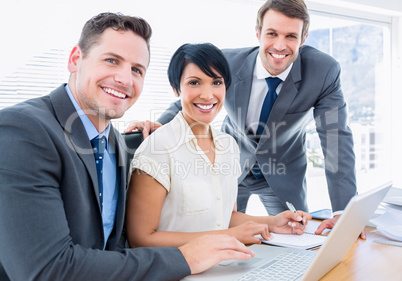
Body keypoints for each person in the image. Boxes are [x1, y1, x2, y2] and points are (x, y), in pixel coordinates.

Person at [0, 12, 256, 281]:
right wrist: (187, 257)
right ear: (76, 59)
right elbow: (48, 270)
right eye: (112, 60)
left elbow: (113, 244)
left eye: (136, 70)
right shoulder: (23, 130)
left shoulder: (117, 144)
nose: (124, 79)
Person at [125, 0, 358, 237]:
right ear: (258, 33)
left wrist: (344, 212)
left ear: (304, 38)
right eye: (272, 33)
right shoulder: (226, 63)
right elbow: (192, 96)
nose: (280, 45)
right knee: (225, 230)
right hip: (230, 164)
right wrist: (162, 124)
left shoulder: (323, 71)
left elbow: (336, 139)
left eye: (290, 36)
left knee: (296, 234)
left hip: (283, 171)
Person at [126, 43, 311, 248]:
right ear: (176, 88)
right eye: (195, 83)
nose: (207, 95)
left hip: (225, 263)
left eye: (216, 82)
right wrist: (227, 237)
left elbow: (225, 217)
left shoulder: (228, 145)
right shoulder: (158, 149)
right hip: (177, 270)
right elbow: (141, 239)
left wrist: (272, 222)